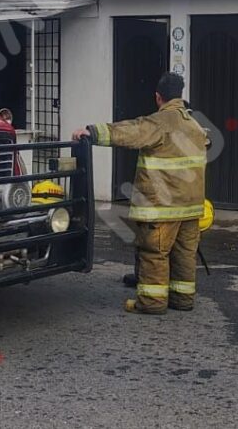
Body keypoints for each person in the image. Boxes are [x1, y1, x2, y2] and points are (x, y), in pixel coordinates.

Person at [72, 72, 207, 315]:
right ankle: (182, 299)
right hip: (191, 207)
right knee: (184, 255)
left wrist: (91, 132)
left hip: (162, 207)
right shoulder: (194, 124)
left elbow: (130, 131)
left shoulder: (160, 122)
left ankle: (152, 302)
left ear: (158, 97)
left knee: (154, 252)